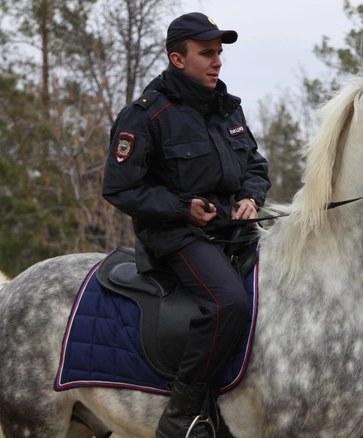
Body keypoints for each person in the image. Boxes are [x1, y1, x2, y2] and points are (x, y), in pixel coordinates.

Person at [102, 12, 271, 438]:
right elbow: (120, 189)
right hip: (177, 234)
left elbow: (254, 163)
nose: (217, 62)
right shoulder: (145, 116)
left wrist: (251, 197)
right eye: (206, 53)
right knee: (229, 302)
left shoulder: (228, 107)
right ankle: (183, 415)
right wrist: (183, 208)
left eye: (219, 53)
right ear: (178, 59)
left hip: (232, 226)